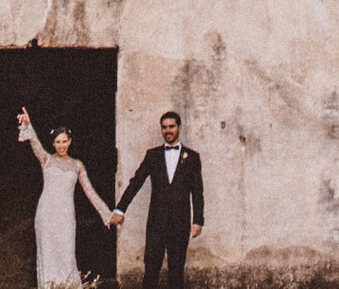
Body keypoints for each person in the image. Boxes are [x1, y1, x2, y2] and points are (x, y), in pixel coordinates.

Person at [17, 106, 117, 286]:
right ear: (53, 144)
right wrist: (28, 124)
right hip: (46, 215)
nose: (61, 145)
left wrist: (107, 215)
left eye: (64, 141)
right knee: (48, 256)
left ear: (70, 141)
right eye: (58, 142)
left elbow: (90, 193)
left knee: (66, 255)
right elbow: (35, 144)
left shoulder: (77, 165)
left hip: (66, 216)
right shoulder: (46, 160)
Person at [114, 110, 203, 289]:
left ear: (179, 127)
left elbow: (197, 191)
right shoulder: (152, 155)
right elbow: (136, 182)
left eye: (171, 127)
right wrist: (120, 209)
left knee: (176, 271)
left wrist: (198, 221)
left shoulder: (192, 157)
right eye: (164, 127)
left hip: (180, 222)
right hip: (157, 222)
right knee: (151, 269)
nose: (167, 130)